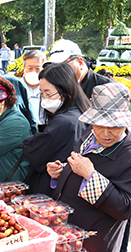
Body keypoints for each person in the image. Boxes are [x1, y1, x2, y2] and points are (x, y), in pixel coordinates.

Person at [46, 82, 131, 252]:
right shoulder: (87, 135)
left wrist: (91, 176)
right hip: (67, 237)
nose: (105, 132)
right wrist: (61, 172)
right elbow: (78, 168)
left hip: (95, 242)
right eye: (99, 124)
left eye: (114, 126)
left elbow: (127, 206)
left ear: (125, 123)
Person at [23, 63, 90, 196]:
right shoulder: (81, 111)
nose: (44, 99)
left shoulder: (64, 121)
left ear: (66, 90)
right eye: (41, 93)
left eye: (48, 93)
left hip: (52, 188)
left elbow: (35, 150)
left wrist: (30, 140)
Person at [47, 39, 113, 99]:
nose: (58, 70)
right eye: (53, 66)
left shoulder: (105, 86)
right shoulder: (58, 87)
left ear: (80, 62)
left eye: (62, 65)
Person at [21, 50, 45, 129]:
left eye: (37, 69)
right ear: (24, 68)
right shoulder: (17, 88)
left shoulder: (48, 89)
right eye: (30, 68)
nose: (33, 72)